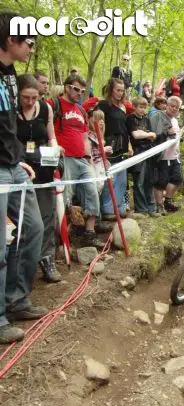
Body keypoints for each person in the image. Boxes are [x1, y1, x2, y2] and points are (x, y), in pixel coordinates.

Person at [0, 11, 48, 344]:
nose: (31, 47)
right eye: (28, 41)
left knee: (33, 228)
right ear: (10, 39)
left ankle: (16, 299)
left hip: (14, 166)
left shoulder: (12, 75)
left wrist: (18, 157)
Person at [47, 74, 103, 248]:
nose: (79, 93)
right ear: (67, 87)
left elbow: (85, 136)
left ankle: (90, 233)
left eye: (82, 91)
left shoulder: (81, 111)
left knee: (92, 191)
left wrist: (89, 158)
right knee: (65, 197)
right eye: (76, 89)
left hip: (82, 159)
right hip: (65, 158)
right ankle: (59, 237)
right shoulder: (53, 104)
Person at [16, 74, 61, 283]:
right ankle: (22, 262)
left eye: (34, 97)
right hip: (19, 167)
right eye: (26, 97)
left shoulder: (45, 108)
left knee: (47, 215)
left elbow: (51, 135)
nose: (30, 102)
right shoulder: (10, 111)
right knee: (22, 219)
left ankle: (46, 258)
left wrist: (55, 148)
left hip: (43, 166)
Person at [96, 78, 130, 219]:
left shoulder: (123, 107)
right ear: (111, 90)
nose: (120, 93)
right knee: (111, 178)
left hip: (122, 145)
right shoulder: (103, 105)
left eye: (122, 91)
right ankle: (108, 209)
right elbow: (98, 124)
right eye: (118, 90)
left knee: (122, 179)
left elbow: (125, 128)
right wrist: (101, 142)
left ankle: (120, 207)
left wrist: (129, 145)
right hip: (110, 144)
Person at [126, 96, 159, 217]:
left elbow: (153, 135)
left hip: (149, 150)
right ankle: (141, 208)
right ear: (134, 107)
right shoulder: (130, 118)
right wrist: (148, 134)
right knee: (139, 181)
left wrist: (146, 134)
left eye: (144, 107)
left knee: (149, 180)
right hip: (137, 151)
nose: (143, 110)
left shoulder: (146, 118)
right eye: (140, 107)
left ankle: (151, 208)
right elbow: (135, 135)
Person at [150, 96, 182, 215]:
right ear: (166, 106)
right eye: (172, 106)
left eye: (176, 107)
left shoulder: (175, 119)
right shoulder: (159, 117)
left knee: (177, 178)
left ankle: (167, 201)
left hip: (174, 155)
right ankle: (159, 206)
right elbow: (154, 133)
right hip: (162, 156)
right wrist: (166, 132)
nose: (174, 109)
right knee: (160, 182)